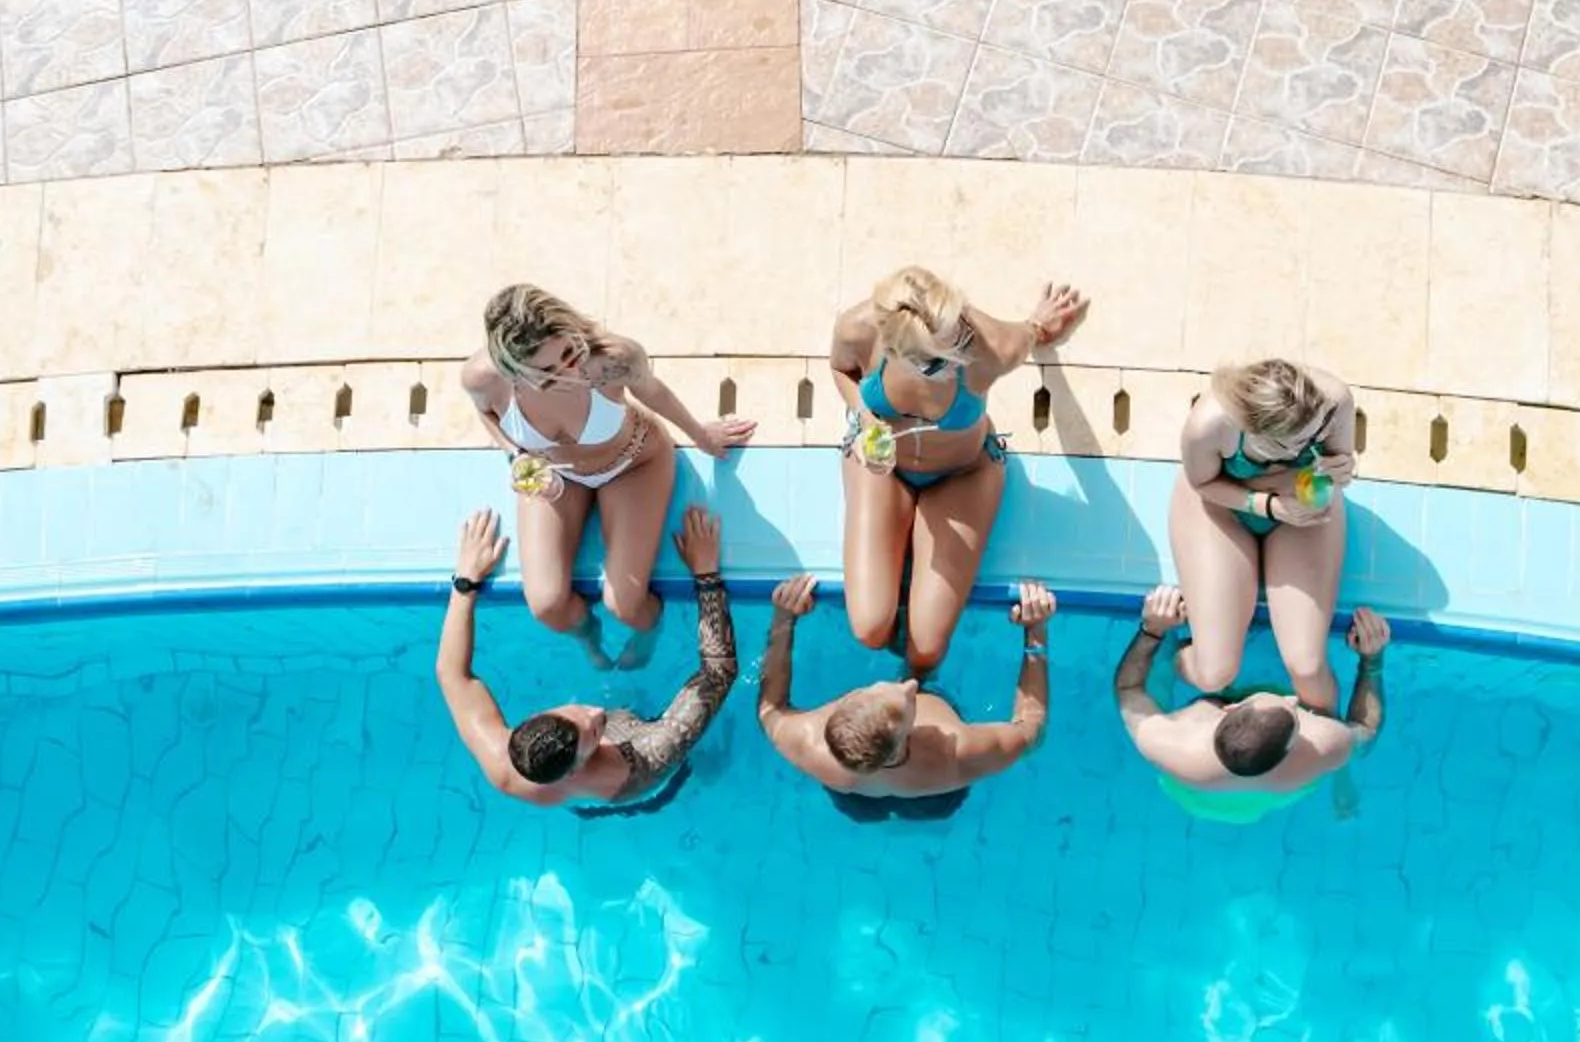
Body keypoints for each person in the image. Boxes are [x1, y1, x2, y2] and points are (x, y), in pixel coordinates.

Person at [828, 266, 1089, 675]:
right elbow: (841, 369)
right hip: (885, 470)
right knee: (869, 630)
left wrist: (1040, 323)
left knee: (927, 650)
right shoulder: (858, 328)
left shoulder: (989, 349)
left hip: (962, 475)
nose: (958, 359)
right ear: (895, 349)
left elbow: (1031, 331)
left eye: (960, 341)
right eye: (937, 362)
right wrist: (864, 416)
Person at [464, 283, 758, 633]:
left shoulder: (613, 358)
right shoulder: (482, 378)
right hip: (558, 476)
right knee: (546, 607)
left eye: (570, 354)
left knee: (625, 607)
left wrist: (700, 435)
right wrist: (517, 455)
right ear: (513, 372)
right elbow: (487, 414)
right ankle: (589, 638)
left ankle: (648, 640)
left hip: (632, 464)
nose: (569, 373)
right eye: (547, 374)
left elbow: (653, 392)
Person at [434, 505, 739, 810]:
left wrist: (466, 582)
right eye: (593, 731)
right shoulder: (652, 754)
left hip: (575, 797)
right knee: (702, 766)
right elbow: (719, 673)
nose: (594, 712)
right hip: (642, 790)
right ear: (578, 766)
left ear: (530, 722)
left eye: (574, 711)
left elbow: (452, 674)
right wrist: (706, 574)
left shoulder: (503, 762)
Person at [757, 576, 1054, 819]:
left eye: (872, 689)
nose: (909, 685)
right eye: (910, 701)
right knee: (935, 810)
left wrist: (784, 619)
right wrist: (1035, 633)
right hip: (934, 791)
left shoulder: (808, 744)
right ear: (902, 742)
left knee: (863, 812)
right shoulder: (955, 755)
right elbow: (1031, 731)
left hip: (852, 794)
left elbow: (770, 710)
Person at [1168, 358, 1358, 711]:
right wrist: (1268, 507)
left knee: (1308, 668)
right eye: (1294, 445)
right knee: (1214, 673)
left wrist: (1343, 467)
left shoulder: (1334, 400)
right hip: (1221, 504)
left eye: (1316, 434)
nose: (1310, 446)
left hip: (1302, 507)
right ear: (1249, 428)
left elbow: (1339, 463)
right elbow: (1203, 483)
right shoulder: (1208, 425)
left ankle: (1329, 754)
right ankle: (1163, 652)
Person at [1114, 586, 1388, 822]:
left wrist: (1153, 629)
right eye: (1293, 707)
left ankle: (1176, 637)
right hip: (1258, 794)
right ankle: (1342, 778)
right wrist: (1372, 661)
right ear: (1294, 745)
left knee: (1189, 684)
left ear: (1229, 709)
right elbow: (1365, 728)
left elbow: (1129, 688)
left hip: (1199, 793)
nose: (1293, 698)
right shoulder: (1320, 747)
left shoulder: (1169, 746)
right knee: (1327, 715)